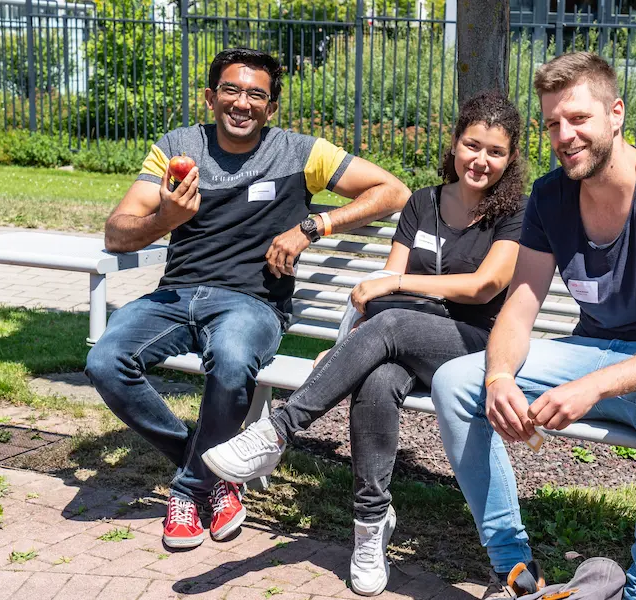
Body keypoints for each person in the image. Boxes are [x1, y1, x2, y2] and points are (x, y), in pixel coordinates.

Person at [431, 52, 636, 600]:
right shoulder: (550, 196)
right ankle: (516, 572)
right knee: (458, 381)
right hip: (597, 351)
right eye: (552, 123)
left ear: (615, 114)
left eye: (578, 119)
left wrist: (591, 386)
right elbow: (518, 309)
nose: (564, 135)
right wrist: (499, 377)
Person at [202, 91, 527, 596]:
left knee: (391, 325)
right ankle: (371, 526)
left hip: (472, 346)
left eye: (496, 152)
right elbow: (386, 287)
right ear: (455, 143)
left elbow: (481, 286)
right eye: (472, 145)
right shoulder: (423, 202)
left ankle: (280, 430)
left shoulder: (513, 214)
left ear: (511, 159)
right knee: (375, 379)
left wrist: (395, 291)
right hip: (401, 340)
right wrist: (357, 341)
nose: (481, 160)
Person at [84, 48, 409, 550]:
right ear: (210, 97)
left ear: (271, 107)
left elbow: (393, 191)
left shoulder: (301, 152)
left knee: (233, 361)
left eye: (256, 94)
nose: (242, 103)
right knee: (105, 360)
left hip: (251, 304)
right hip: (174, 297)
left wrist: (313, 225)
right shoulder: (176, 148)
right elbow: (116, 233)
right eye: (231, 91)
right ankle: (213, 470)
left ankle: (191, 486)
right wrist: (164, 220)